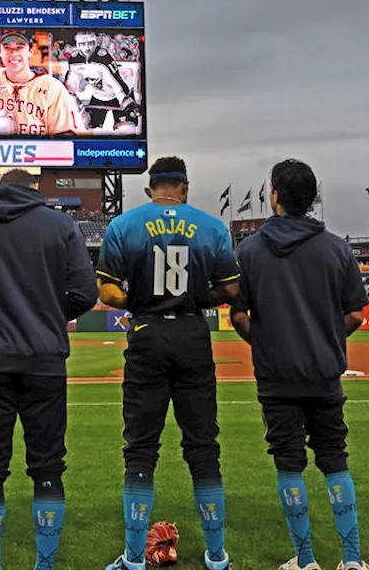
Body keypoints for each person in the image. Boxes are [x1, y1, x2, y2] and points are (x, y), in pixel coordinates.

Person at [0, 169, 98, 570]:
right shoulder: (61, 223)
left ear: (0, 187)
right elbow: (85, 293)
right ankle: (43, 565)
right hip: (45, 362)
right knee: (48, 468)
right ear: (34, 188)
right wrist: (47, 313)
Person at [95, 156, 241, 570]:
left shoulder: (125, 225)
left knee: (140, 449)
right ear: (186, 187)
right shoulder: (211, 227)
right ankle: (216, 557)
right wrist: (199, 298)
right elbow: (230, 287)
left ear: (150, 188)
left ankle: (134, 558)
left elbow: (107, 293)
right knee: (203, 447)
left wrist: (136, 301)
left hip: (147, 334)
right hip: (193, 334)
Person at [229, 159, 369, 570]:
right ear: (313, 198)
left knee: (288, 462)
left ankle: (306, 560)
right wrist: (325, 339)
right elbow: (357, 314)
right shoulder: (336, 247)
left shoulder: (250, 249)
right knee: (335, 459)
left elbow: (239, 315)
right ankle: (351, 560)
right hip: (324, 373)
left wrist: (270, 342)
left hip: (276, 378)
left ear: (275, 196)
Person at [0, 31, 83, 137]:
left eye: (20, 47)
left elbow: (67, 134)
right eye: (7, 47)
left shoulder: (51, 87)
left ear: (30, 50)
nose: (13, 53)